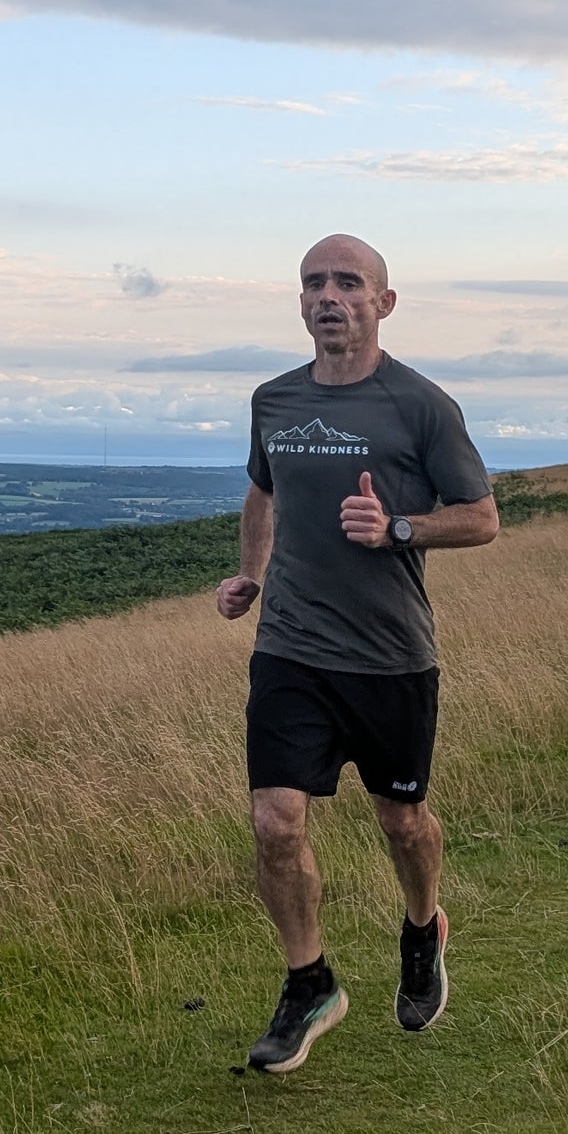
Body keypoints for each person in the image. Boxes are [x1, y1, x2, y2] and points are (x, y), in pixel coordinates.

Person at [216, 234, 499, 1075]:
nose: (328, 296)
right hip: (292, 649)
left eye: (348, 283)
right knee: (275, 818)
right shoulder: (274, 400)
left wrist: (399, 528)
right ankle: (309, 983)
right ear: (300, 302)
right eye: (313, 284)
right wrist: (251, 575)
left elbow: (482, 517)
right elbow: (263, 488)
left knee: (401, 821)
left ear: (384, 301)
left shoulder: (420, 405)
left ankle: (423, 929)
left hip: (390, 656)